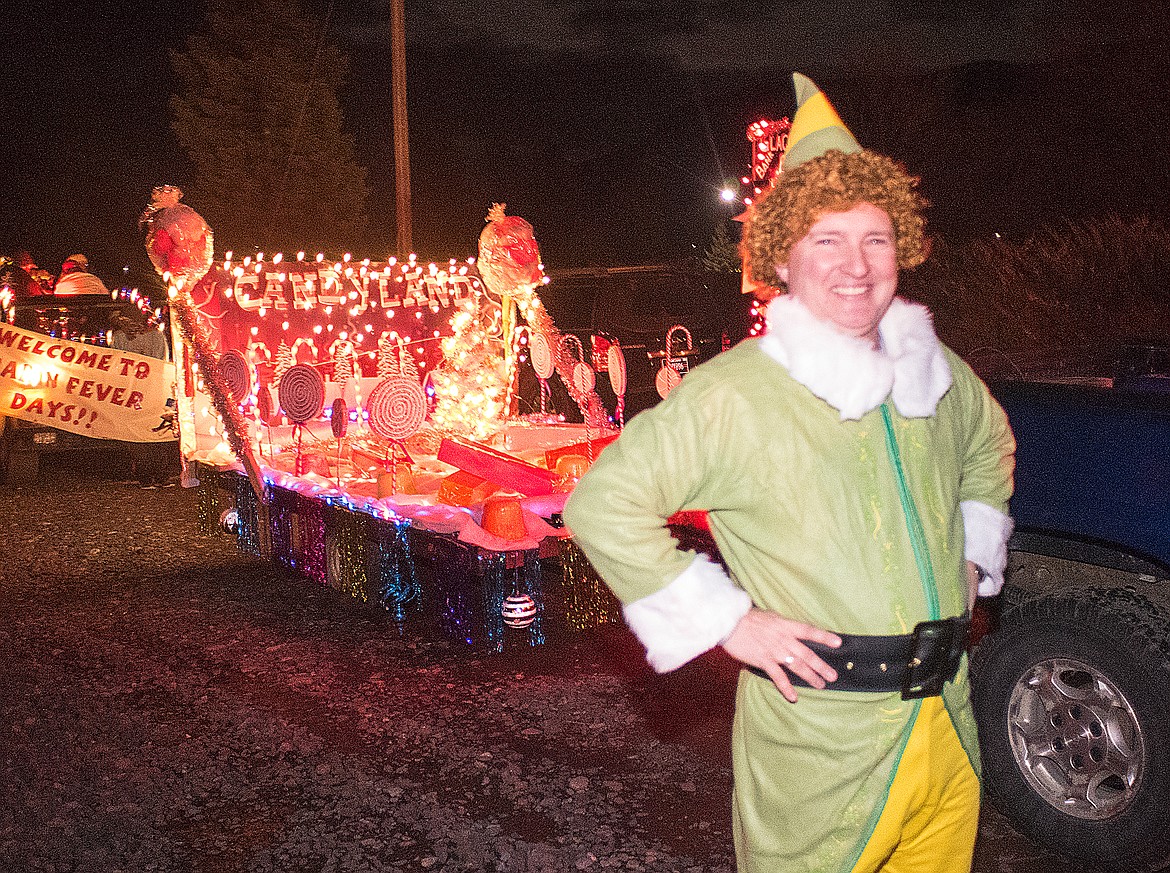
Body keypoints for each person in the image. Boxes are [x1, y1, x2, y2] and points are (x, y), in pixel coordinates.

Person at [563, 73, 1015, 873]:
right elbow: (604, 502)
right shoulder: (740, 391)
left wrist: (976, 546)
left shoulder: (933, 370)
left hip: (948, 728)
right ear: (784, 254)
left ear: (900, 247)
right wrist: (727, 620)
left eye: (874, 238)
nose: (856, 264)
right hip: (823, 748)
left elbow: (989, 445)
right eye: (826, 239)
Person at [111, 306, 173, 486]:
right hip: (154, 391)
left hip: (132, 392)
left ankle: (146, 476)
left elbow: (116, 364)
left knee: (137, 433)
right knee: (157, 430)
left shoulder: (120, 337)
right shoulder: (156, 336)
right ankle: (161, 476)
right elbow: (163, 362)